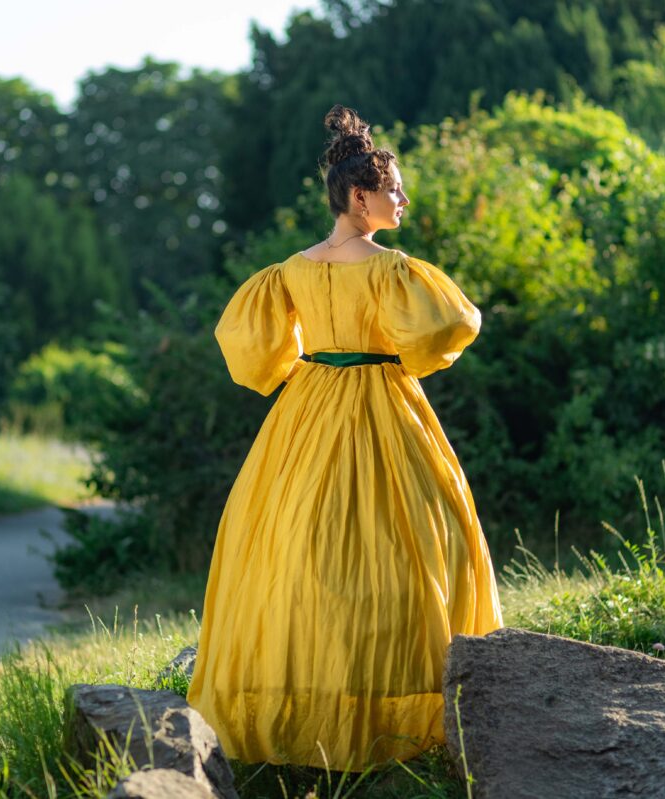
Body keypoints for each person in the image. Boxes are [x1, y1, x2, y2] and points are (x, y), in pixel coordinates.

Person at [185, 103, 504, 773]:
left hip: (304, 409)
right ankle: (407, 710)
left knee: (291, 543)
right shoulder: (391, 270)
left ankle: (302, 696)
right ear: (360, 197)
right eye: (394, 190)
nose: (403, 199)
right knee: (412, 540)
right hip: (383, 404)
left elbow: (250, 350)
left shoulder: (288, 272)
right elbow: (447, 329)